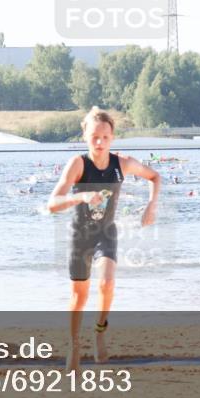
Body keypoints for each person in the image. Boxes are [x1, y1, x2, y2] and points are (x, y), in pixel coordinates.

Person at [48, 107, 161, 372]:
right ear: (85, 135)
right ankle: (74, 344)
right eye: (94, 137)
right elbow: (53, 203)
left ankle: (100, 330)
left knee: (107, 283)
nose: (99, 142)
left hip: (106, 234)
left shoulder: (122, 163)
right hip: (80, 237)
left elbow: (155, 177)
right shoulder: (78, 164)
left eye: (105, 137)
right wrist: (81, 197)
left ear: (112, 138)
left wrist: (151, 206)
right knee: (79, 297)